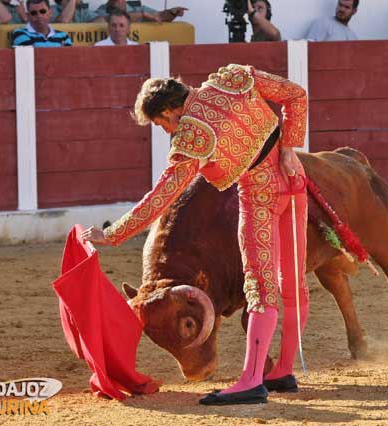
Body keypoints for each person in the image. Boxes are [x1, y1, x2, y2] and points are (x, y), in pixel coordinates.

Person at [82, 64, 309, 405]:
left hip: (259, 198)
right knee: (292, 281)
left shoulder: (193, 136)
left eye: (161, 124)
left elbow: (162, 197)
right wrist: (290, 147)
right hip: (294, 182)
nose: (166, 131)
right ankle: (283, 371)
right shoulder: (233, 79)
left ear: (169, 110)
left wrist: (112, 234)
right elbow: (296, 95)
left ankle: (251, 381)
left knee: (261, 288)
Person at [93, 0, 187, 23]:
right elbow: (101, 20)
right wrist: (142, 15)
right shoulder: (102, 9)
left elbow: (160, 16)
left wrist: (172, 12)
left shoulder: (139, 8)